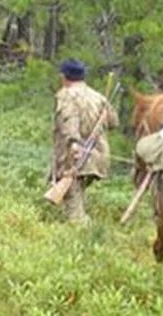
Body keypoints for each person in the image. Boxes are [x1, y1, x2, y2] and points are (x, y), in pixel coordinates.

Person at [50, 58, 117, 224]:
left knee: (73, 204)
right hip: (97, 157)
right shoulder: (98, 97)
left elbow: (69, 121)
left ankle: (82, 236)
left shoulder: (65, 95)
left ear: (63, 76)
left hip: (75, 158)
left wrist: (74, 143)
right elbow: (114, 122)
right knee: (74, 194)